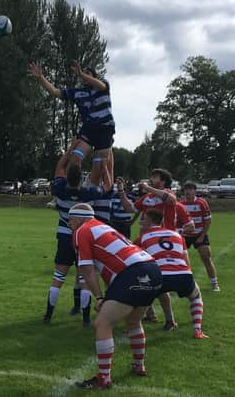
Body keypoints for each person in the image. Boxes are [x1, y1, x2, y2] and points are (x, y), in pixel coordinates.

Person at [69, 203, 162, 389]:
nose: (69, 223)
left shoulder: (82, 231)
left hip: (132, 272)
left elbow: (86, 269)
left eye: (70, 219)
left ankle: (104, 378)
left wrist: (99, 297)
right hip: (152, 268)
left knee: (102, 323)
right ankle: (139, 366)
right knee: (134, 321)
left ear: (79, 218)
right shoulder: (102, 226)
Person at [45, 142, 105, 326]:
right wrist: (98, 153)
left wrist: (71, 149)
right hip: (83, 238)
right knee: (83, 279)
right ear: (81, 180)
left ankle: (48, 315)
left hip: (64, 235)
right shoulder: (87, 193)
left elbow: (59, 167)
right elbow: (97, 174)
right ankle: (86, 318)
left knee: (58, 278)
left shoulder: (59, 190)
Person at [28, 61, 114, 182]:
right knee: (75, 159)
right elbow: (55, 92)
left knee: (97, 169)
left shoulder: (103, 86)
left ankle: (93, 191)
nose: (84, 76)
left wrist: (80, 73)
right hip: (89, 130)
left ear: (94, 77)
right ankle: (74, 189)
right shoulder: (78, 92)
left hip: (105, 129)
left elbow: (99, 85)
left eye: (88, 74)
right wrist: (41, 78)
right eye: (83, 74)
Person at [136, 209, 209, 338]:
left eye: (143, 219)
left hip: (160, 274)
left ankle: (136, 326)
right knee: (196, 296)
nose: (141, 222)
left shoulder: (142, 238)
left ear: (149, 220)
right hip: (183, 273)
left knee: (144, 293)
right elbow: (186, 259)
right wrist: (188, 276)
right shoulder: (177, 235)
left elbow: (137, 261)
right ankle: (197, 330)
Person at [182, 182, 220, 291]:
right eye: (186, 189)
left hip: (199, 234)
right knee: (180, 260)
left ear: (195, 191)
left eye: (190, 189)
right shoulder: (180, 204)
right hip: (185, 236)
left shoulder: (201, 203)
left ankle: (214, 284)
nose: (188, 192)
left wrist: (202, 236)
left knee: (206, 258)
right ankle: (184, 285)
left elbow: (207, 221)